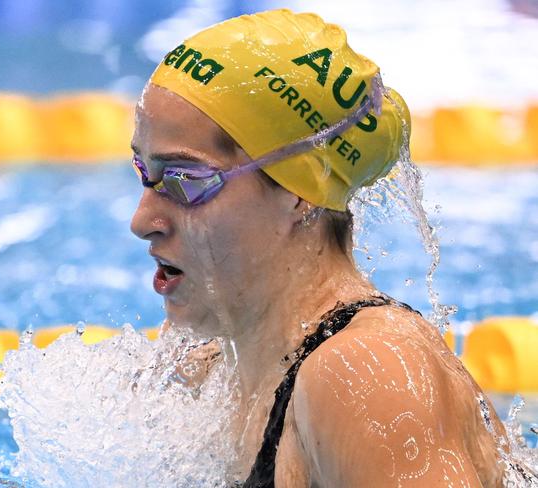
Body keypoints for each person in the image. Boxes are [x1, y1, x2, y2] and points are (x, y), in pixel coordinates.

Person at [130, 9, 507, 487]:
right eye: (144, 172)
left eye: (184, 180)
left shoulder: (368, 377)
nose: (142, 221)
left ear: (299, 190)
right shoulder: (209, 365)